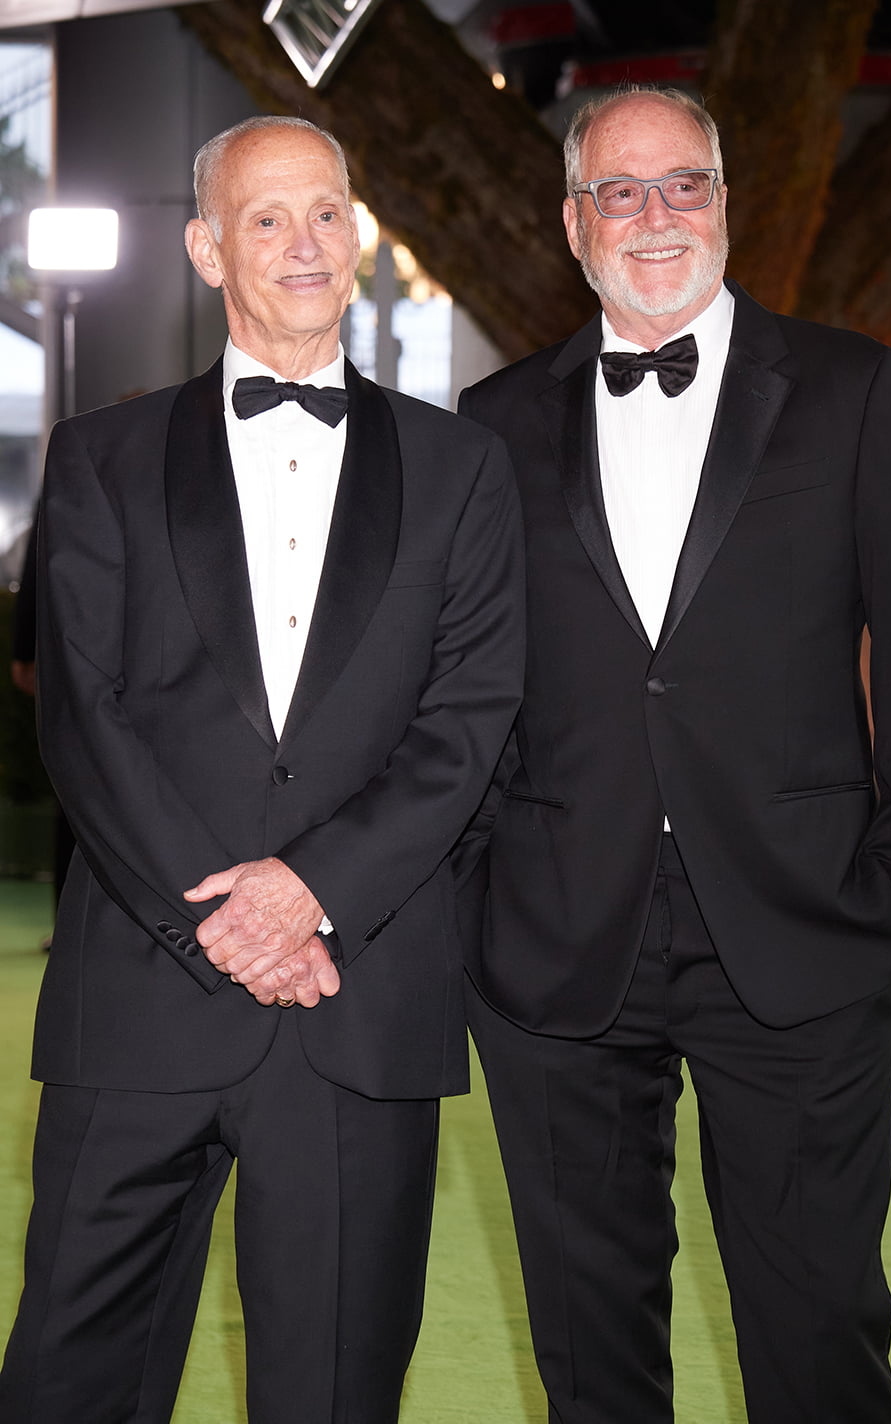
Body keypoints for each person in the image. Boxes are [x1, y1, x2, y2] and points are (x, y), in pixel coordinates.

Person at [0, 115, 523, 1424]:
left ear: (359, 232)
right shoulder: (101, 458)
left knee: (335, 1392)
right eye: (267, 217)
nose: (305, 242)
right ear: (205, 246)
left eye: (327, 212)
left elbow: (470, 719)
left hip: (358, 1005)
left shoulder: (463, 468)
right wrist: (225, 917)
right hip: (138, 1002)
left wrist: (311, 893)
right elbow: (85, 716)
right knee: (69, 1384)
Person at [457, 86, 891, 1424]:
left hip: (802, 930)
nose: (655, 214)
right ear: (572, 222)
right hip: (558, 947)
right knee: (589, 1345)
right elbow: (470, 689)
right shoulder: (491, 424)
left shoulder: (855, 391)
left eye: (684, 185)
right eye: (620, 191)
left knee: (818, 1330)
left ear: (726, 202)